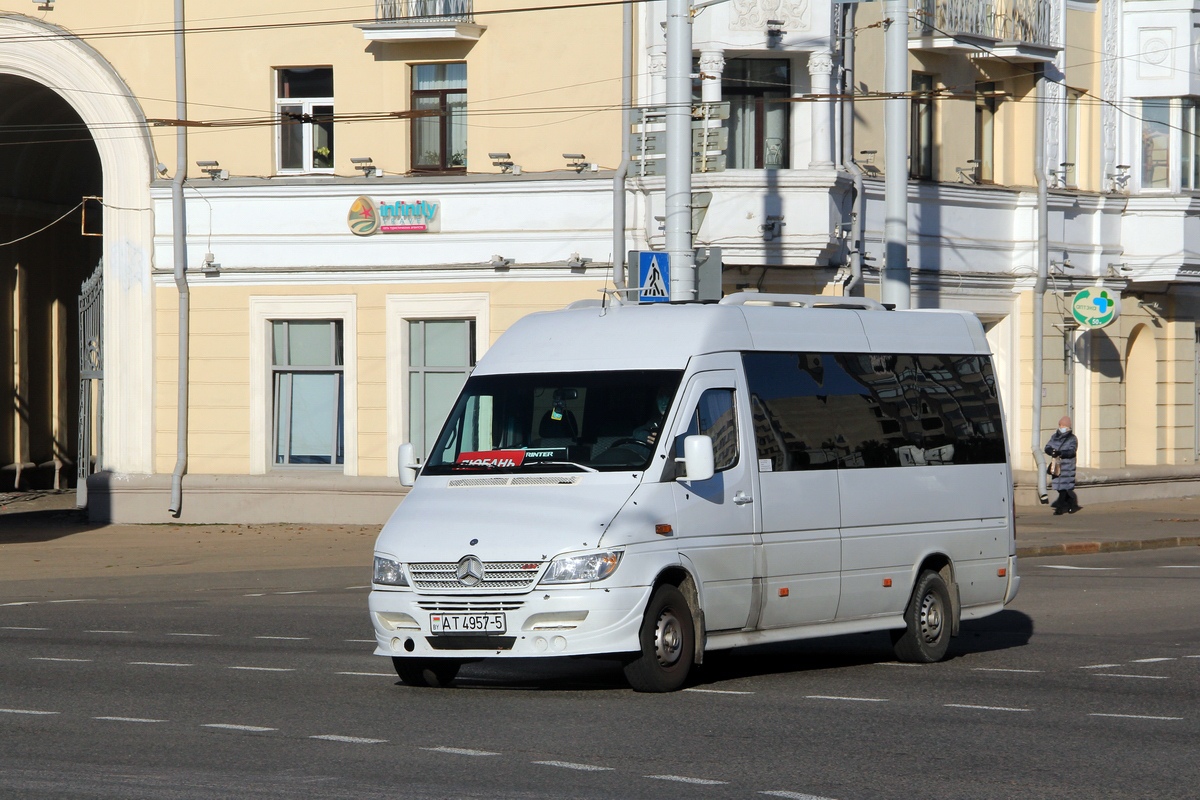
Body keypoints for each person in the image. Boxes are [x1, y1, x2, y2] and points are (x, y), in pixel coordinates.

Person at [1045, 416, 1080, 514]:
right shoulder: (1054, 436)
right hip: (1057, 465)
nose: (1061, 427)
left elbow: (1072, 451)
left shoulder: (1072, 438)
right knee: (1059, 488)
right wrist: (1051, 451)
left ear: (1068, 426)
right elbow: (1047, 447)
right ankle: (1071, 502)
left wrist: (1060, 453)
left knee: (1063, 488)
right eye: (1060, 425)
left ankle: (1059, 509)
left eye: (1063, 425)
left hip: (1067, 467)